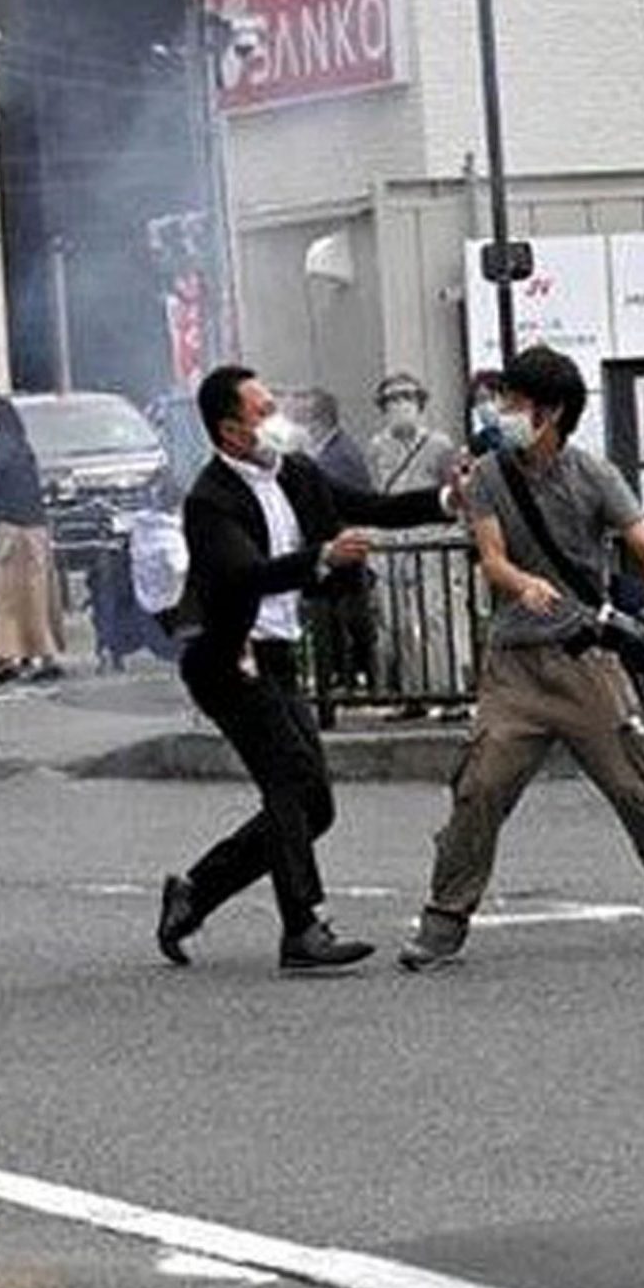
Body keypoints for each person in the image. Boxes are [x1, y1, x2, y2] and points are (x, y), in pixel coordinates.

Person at [398, 345, 644, 972]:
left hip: (585, 660)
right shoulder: (488, 475)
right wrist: (520, 583)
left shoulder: (594, 475)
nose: (502, 411)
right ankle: (444, 920)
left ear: (550, 413)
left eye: (514, 402)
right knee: (480, 787)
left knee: (638, 784)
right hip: (515, 666)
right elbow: (490, 558)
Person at [154, 365, 460, 974]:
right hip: (228, 660)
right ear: (231, 431)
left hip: (280, 654)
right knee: (289, 784)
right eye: (265, 411)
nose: (281, 421)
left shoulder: (294, 472)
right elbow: (246, 574)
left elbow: (367, 506)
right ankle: (303, 927)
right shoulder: (211, 500)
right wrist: (318, 558)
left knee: (314, 804)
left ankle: (195, 892)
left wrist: (449, 499)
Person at [363, 371, 470, 719]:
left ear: (420, 403)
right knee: (398, 622)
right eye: (393, 399)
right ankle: (413, 694)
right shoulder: (377, 446)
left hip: (432, 539)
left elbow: (453, 493)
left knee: (437, 618)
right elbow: (376, 492)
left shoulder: (439, 444)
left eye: (407, 397)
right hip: (393, 540)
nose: (400, 405)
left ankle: (450, 691)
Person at [295, 389, 379, 710]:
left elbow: (339, 505)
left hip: (342, 554)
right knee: (335, 624)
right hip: (334, 554)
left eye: (303, 418)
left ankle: (354, 684)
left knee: (348, 622)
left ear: (318, 420)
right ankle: (342, 683)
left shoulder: (339, 456)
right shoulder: (324, 452)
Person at [0, 395, 66, 686]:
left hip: (10, 531)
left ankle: (12, 658)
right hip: (36, 528)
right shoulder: (22, 443)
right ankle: (44, 655)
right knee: (37, 596)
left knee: (9, 600)